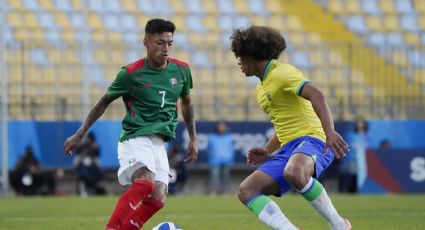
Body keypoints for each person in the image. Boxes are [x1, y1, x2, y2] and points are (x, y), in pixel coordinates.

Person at [64, 18, 198, 230]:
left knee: (158, 196)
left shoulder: (181, 71)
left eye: (169, 43)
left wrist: (192, 138)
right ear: (146, 42)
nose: (166, 49)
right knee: (145, 182)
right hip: (135, 137)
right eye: (160, 43)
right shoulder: (131, 73)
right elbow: (103, 102)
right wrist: (81, 133)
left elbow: (187, 103)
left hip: (159, 142)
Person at [230, 26, 351, 230]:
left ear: (251, 54)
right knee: (247, 190)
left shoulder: (282, 72)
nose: (238, 62)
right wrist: (268, 149)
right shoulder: (261, 87)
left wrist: (329, 132)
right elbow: (284, 123)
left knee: (295, 172)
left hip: (314, 139)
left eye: (240, 56)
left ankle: (339, 225)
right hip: (290, 148)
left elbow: (316, 94)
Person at [207, 121, 235, 195]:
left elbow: (231, 149)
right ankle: (213, 191)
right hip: (215, 160)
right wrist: (211, 159)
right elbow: (209, 149)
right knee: (215, 175)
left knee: (226, 176)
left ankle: (226, 191)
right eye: (220, 126)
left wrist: (230, 159)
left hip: (226, 160)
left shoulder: (229, 137)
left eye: (223, 126)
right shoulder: (212, 137)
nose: (222, 128)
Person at [74, 132, 105, 196]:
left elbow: (97, 155)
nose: (89, 140)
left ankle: (94, 188)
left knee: (99, 173)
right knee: (83, 174)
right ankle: (83, 189)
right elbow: (78, 155)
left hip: (92, 166)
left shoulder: (95, 146)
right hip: (83, 165)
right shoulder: (82, 146)